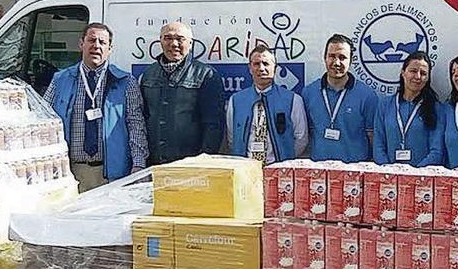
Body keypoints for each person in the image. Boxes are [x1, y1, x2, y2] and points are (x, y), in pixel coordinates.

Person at [44, 22, 148, 192]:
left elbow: (136, 125)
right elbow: (46, 123)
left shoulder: (125, 82)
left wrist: (138, 164)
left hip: (112, 174)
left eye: (102, 42)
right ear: (81, 44)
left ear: (110, 48)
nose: (96, 46)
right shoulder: (60, 80)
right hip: (70, 174)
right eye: (91, 40)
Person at [139, 22, 225, 165]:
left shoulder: (206, 75)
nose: (174, 44)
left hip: (190, 166)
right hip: (155, 165)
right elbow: (142, 120)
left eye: (180, 39)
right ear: (160, 41)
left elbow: (213, 126)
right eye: (168, 38)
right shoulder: (148, 75)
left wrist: (203, 163)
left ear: (190, 43)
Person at [302, 34, 379, 162]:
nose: (336, 62)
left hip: (354, 172)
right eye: (332, 56)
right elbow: (305, 136)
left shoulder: (367, 95)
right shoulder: (309, 93)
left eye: (342, 57)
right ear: (324, 58)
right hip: (318, 172)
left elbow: (373, 138)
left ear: (351, 60)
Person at [226, 45, 308, 164]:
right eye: (256, 64)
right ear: (250, 68)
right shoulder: (235, 101)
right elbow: (232, 139)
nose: (261, 68)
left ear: (275, 68)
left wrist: (284, 158)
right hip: (246, 170)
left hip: (279, 169)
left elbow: (301, 138)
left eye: (266, 63)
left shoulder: (293, 100)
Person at [373, 51, 445, 166]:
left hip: (421, 177)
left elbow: (436, 151)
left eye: (423, 73)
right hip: (388, 176)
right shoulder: (385, 104)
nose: (418, 77)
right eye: (413, 71)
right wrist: (388, 172)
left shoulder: (436, 108)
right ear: (403, 73)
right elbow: (378, 145)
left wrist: (413, 175)